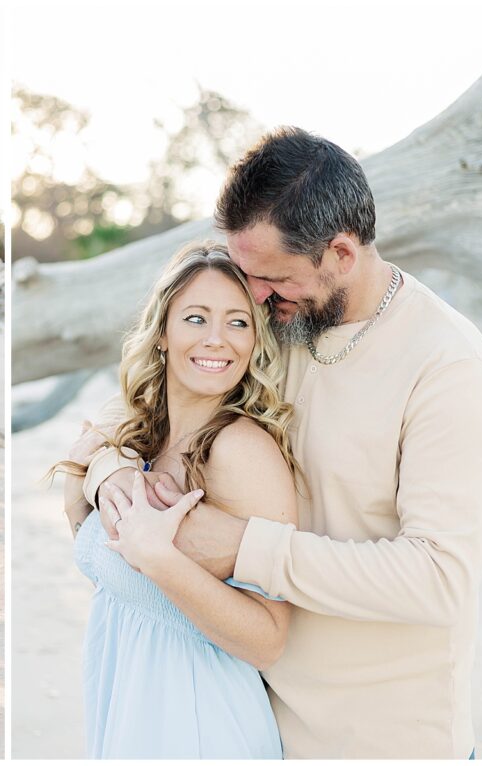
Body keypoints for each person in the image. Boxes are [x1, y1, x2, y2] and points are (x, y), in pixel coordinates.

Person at [81, 127, 482, 759]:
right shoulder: (285, 322)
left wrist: (243, 547)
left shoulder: (448, 369)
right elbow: (132, 411)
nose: (252, 297)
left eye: (270, 276)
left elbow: (439, 577)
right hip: (254, 718)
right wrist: (111, 472)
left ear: (339, 254)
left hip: (381, 743)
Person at [58, 242, 297, 758]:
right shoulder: (136, 428)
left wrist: (160, 559)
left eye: (238, 322)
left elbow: (269, 640)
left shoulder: (239, 451)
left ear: (256, 340)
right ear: (163, 332)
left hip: (199, 720)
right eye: (196, 317)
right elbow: (92, 547)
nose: (217, 340)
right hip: (125, 697)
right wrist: (94, 475)